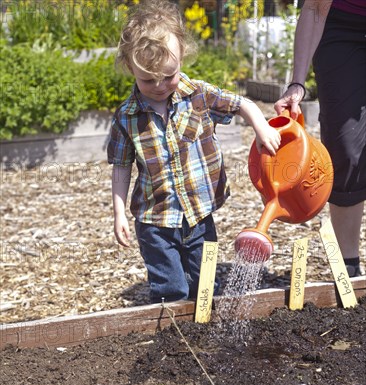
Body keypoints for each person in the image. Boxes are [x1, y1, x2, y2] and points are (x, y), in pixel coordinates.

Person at [108, 0, 281, 303]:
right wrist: (118, 212)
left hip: (200, 215)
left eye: (169, 75)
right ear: (129, 67)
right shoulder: (127, 116)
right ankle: (173, 335)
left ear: (183, 57)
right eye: (148, 79)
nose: (160, 85)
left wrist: (261, 126)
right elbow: (121, 167)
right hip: (155, 221)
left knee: (206, 285)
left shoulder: (199, 95)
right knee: (170, 290)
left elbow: (241, 103)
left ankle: (201, 327)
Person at [274, 0, 366, 277]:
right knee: (345, 147)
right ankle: (348, 267)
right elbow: (315, 9)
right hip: (341, 26)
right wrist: (297, 84)